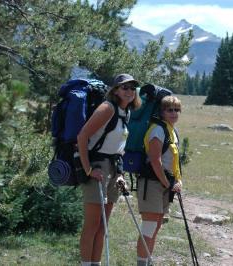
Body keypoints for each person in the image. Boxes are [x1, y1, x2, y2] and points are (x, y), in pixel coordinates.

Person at [77, 73, 141, 266]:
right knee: (92, 225)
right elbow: (82, 136)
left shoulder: (126, 112)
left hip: (113, 169)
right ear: (115, 90)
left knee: (103, 227)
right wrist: (88, 169)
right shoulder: (107, 108)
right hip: (97, 167)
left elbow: (118, 147)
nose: (129, 91)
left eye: (132, 88)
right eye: (124, 87)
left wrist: (120, 174)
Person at [136, 95, 183, 266]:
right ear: (162, 112)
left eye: (177, 109)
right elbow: (155, 161)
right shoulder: (157, 130)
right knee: (148, 228)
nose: (174, 113)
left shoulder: (172, 130)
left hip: (164, 185)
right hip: (152, 184)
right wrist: (167, 183)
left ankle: (147, 262)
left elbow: (173, 161)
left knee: (155, 228)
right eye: (169, 109)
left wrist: (177, 180)